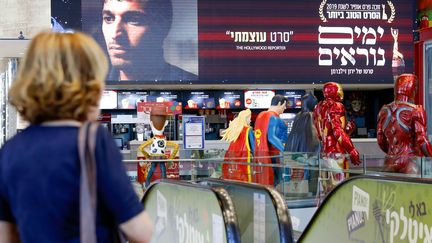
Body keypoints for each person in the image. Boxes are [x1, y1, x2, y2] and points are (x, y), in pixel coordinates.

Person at [0, 31, 153, 242]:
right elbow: (140, 231)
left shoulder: (9, 151)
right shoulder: (93, 141)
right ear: (87, 86)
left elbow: (6, 236)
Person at [101, 0, 197, 81]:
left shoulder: (190, 83)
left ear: (163, 26)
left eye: (134, 19)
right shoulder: (91, 85)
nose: (115, 35)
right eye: (108, 19)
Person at [377, 73, 432, 174]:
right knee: (414, 189)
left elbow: (381, 141)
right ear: (412, 89)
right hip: (411, 161)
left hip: (390, 161)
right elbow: (422, 140)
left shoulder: (383, 110)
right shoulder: (416, 110)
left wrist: (393, 152)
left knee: (391, 189)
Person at [313, 82, 361, 191]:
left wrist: (347, 129)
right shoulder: (336, 106)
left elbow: (322, 133)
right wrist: (352, 149)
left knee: (326, 189)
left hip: (324, 153)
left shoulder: (318, 107)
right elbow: (337, 132)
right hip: (336, 153)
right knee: (339, 188)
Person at [137, 106, 179, 188]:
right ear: (166, 123)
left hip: (154, 157)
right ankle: (163, 185)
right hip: (161, 157)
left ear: (151, 124)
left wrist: (148, 156)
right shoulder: (163, 140)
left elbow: (141, 147)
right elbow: (176, 146)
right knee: (163, 171)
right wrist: (171, 157)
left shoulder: (153, 140)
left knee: (153, 170)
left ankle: (147, 185)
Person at [253, 94, 288, 186]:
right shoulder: (274, 117)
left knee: (267, 180)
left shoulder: (260, 116)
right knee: (276, 180)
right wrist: (285, 150)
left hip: (262, 154)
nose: (284, 109)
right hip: (276, 154)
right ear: (279, 103)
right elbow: (272, 137)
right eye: (284, 106)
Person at [221, 109, 255, 182]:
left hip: (234, 162)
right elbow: (254, 147)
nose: (250, 120)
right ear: (245, 119)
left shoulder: (236, 130)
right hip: (245, 161)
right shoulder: (248, 130)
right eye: (249, 118)